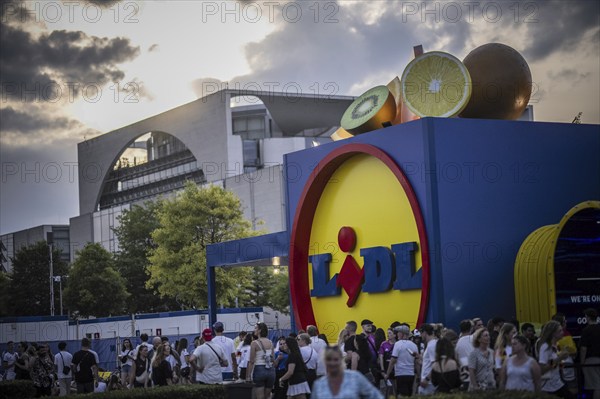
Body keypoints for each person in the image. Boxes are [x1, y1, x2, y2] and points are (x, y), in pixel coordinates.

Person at [312, 345, 383, 399]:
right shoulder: (319, 385)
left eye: (335, 359)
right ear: (324, 361)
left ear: (341, 360)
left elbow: (376, 396)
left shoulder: (355, 377)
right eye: (329, 359)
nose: (332, 363)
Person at [537, 320, 574, 398]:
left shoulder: (554, 345)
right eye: (560, 331)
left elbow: (553, 364)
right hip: (548, 386)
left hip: (556, 383)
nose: (562, 332)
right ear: (553, 333)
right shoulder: (545, 346)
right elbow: (542, 369)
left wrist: (561, 359)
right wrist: (559, 358)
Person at [385, 325, 419, 397]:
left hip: (400, 374)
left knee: (401, 395)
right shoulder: (414, 345)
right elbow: (416, 362)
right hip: (411, 374)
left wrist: (387, 374)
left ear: (402, 334)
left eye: (398, 332)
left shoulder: (398, 344)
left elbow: (393, 361)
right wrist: (419, 375)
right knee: (409, 394)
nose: (397, 334)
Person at [246, 322, 276, 399]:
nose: (254, 330)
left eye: (255, 328)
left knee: (260, 397)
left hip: (259, 369)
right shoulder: (271, 342)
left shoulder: (254, 343)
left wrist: (248, 376)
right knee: (267, 396)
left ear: (260, 330)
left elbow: (251, 361)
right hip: (270, 370)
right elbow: (273, 359)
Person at [580, 308, 600, 399]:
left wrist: (582, 362)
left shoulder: (586, 331)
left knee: (596, 385)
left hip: (591, 360)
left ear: (587, 317)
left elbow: (583, 348)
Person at [418, 323, 438, 395]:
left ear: (425, 332)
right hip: (428, 382)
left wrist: (426, 379)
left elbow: (435, 365)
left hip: (429, 383)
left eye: (421, 333)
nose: (420, 336)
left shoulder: (431, 345)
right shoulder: (432, 344)